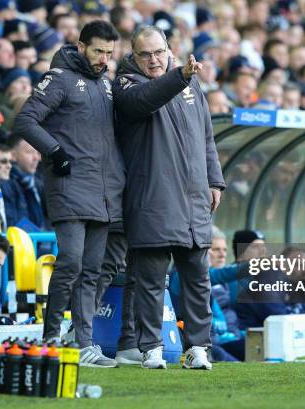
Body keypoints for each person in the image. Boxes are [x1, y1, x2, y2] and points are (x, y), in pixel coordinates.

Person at [112, 26, 225, 370]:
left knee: (197, 278)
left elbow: (206, 136)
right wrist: (180, 74)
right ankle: (151, 349)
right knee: (150, 280)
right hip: (153, 198)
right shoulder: (126, 85)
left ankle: (197, 349)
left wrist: (214, 181)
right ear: (133, 56)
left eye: (158, 52)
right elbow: (146, 100)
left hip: (192, 197)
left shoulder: (189, 83)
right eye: (144, 54)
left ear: (168, 49)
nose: (153, 60)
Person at [14, 20, 124, 368]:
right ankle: (50, 337)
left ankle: (83, 342)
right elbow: (26, 120)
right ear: (80, 47)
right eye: (97, 51)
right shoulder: (60, 78)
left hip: (103, 192)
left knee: (92, 269)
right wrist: (56, 152)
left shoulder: (105, 85)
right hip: (70, 186)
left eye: (109, 53)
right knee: (71, 263)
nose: (103, 59)